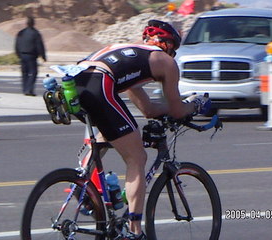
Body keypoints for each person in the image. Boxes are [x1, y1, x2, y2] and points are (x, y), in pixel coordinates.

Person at [74, 19, 211, 240]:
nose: (173, 55)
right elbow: (176, 110)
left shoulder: (130, 54)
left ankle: (82, 183)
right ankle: (134, 231)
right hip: (100, 83)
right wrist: (194, 104)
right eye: (174, 50)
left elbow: (147, 109)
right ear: (168, 45)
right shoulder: (165, 61)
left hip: (76, 80)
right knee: (137, 157)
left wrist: (171, 108)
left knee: (113, 132)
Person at [15, 16, 46, 96]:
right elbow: (39, 45)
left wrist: (18, 54)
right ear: (33, 23)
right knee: (33, 72)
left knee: (24, 73)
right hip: (31, 56)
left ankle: (25, 89)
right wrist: (43, 56)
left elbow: (17, 44)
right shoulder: (35, 33)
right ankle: (29, 90)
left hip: (22, 55)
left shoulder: (21, 32)